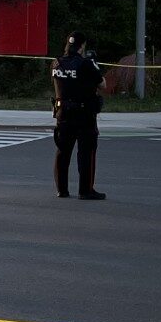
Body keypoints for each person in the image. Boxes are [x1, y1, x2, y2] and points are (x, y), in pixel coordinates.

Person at [50, 33, 106, 200]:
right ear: (82, 46)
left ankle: (62, 189)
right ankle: (85, 190)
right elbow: (103, 84)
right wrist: (94, 64)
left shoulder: (56, 63)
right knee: (86, 153)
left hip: (63, 114)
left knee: (62, 152)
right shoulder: (85, 64)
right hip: (84, 115)